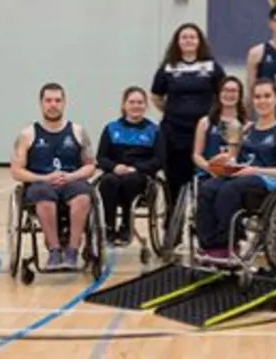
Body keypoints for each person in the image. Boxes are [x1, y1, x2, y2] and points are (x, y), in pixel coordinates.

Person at [195, 78, 276, 259]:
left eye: (267, 96)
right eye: (257, 97)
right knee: (208, 188)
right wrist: (222, 162)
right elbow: (233, 158)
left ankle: (231, 242)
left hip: (270, 184)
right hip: (243, 177)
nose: (262, 101)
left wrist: (257, 170)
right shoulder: (246, 128)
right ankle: (210, 245)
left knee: (229, 189)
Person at [150, 23, 226, 239]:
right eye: (184, 37)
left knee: (205, 182)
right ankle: (172, 233)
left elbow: (224, 93)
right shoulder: (168, 68)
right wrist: (174, 112)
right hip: (174, 133)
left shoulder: (212, 67)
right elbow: (156, 96)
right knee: (175, 184)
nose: (189, 41)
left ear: (199, 41)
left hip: (204, 133)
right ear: (178, 42)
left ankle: (207, 231)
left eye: (193, 37)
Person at [10, 83, 96, 269]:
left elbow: (90, 166)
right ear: (41, 103)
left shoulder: (78, 132)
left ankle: (73, 250)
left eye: (57, 100)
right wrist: (44, 178)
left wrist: (71, 176)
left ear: (64, 103)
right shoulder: (27, 134)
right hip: (41, 183)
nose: (53, 104)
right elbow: (16, 171)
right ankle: (55, 251)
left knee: (83, 196)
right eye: (48, 100)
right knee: (44, 196)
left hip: (71, 180)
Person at [96, 86, 163, 246]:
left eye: (140, 102)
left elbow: (159, 160)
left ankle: (127, 225)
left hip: (140, 176)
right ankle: (109, 226)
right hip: (115, 173)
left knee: (130, 180)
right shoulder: (111, 129)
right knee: (108, 181)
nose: (136, 106)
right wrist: (114, 167)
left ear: (145, 106)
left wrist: (137, 168)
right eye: (132, 102)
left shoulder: (154, 131)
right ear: (124, 105)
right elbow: (101, 157)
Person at [193, 76, 247, 179]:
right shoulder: (205, 122)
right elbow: (197, 155)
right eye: (225, 90)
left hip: (235, 176)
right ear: (218, 94)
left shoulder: (246, 125)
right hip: (208, 175)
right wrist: (210, 168)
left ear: (240, 95)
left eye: (233, 91)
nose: (229, 95)